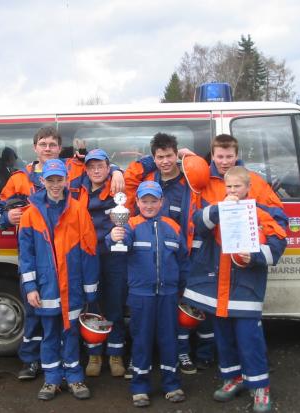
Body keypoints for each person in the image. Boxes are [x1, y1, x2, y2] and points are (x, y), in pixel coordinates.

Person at [0, 126, 124, 381]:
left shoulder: (72, 169)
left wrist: (118, 169)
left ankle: (68, 363)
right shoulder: (20, 177)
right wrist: (6, 216)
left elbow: (98, 169)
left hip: (69, 255)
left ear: (59, 148)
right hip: (37, 255)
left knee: (68, 315)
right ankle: (33, 361)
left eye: (52, 145)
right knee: (35, 312)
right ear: (35, 148)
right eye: (42, 144)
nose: (47, 148)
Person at [182, 166, 287, 413]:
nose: (232, 190)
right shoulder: (217, 211)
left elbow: (279, 242)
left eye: (237, 186)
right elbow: (198, 223)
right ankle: (233, 378)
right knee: (224, 340)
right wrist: (222, 207)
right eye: (228, 187)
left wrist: (255, 256)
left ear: (248, 188)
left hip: (245, 293)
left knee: (250, 341)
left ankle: (260, 387)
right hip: (220, 294)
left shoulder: (259, 213)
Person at [124, 133, 215, 375]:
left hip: (179, 256)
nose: (165, 161)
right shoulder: (148, 179)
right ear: (154, 158)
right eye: (159, 157)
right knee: (143, 314)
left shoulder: (189, 182)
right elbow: (128, 181)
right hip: (146, 260)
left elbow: (218, 173)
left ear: (177, 156)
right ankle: (139, 358)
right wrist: (144, 162)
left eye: (169, 156)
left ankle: (181, 351)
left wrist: (193, 159)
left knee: (180, 307)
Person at [19, 159, 99, 401]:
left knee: (71, 333)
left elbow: (90, 252)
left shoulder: (78, 210)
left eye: (59, 179)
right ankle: (52, 379)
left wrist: (90, 291)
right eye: (50, 180)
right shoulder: (30, 214)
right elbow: (26, 255)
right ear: (42, 181)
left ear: (67, 181)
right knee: (50, 334)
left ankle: (75, 378)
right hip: (46, 288)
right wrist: (30, 288)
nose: (55, 185)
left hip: (72, 287)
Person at [107, 181, 189, 408]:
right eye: (145, 201)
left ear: (161, 202)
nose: (150, 205)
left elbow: (183, 261)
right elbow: (115, 243)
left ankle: (171, 384)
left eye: (154, 201)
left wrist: (184, 289)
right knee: (141, 340)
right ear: (137, 203)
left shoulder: (173, 226)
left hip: (169, 294)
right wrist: (114, 236)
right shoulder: (130, 224)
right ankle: (140, 386)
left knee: (169, 340)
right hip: (141, 295)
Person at [69, 149, 127, 378]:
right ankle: (94, 354)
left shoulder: (117, 186)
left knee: (114, 306)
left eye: (101, 166)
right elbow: (54, 176)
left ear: (107, 166)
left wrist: (118, 171)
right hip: (87, 257)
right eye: (91, 166)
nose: (96, 170)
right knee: (91, 304)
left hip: (113, 256)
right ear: (85, 168)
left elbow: (146, 163)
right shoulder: (75, 185)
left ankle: (116, 354)